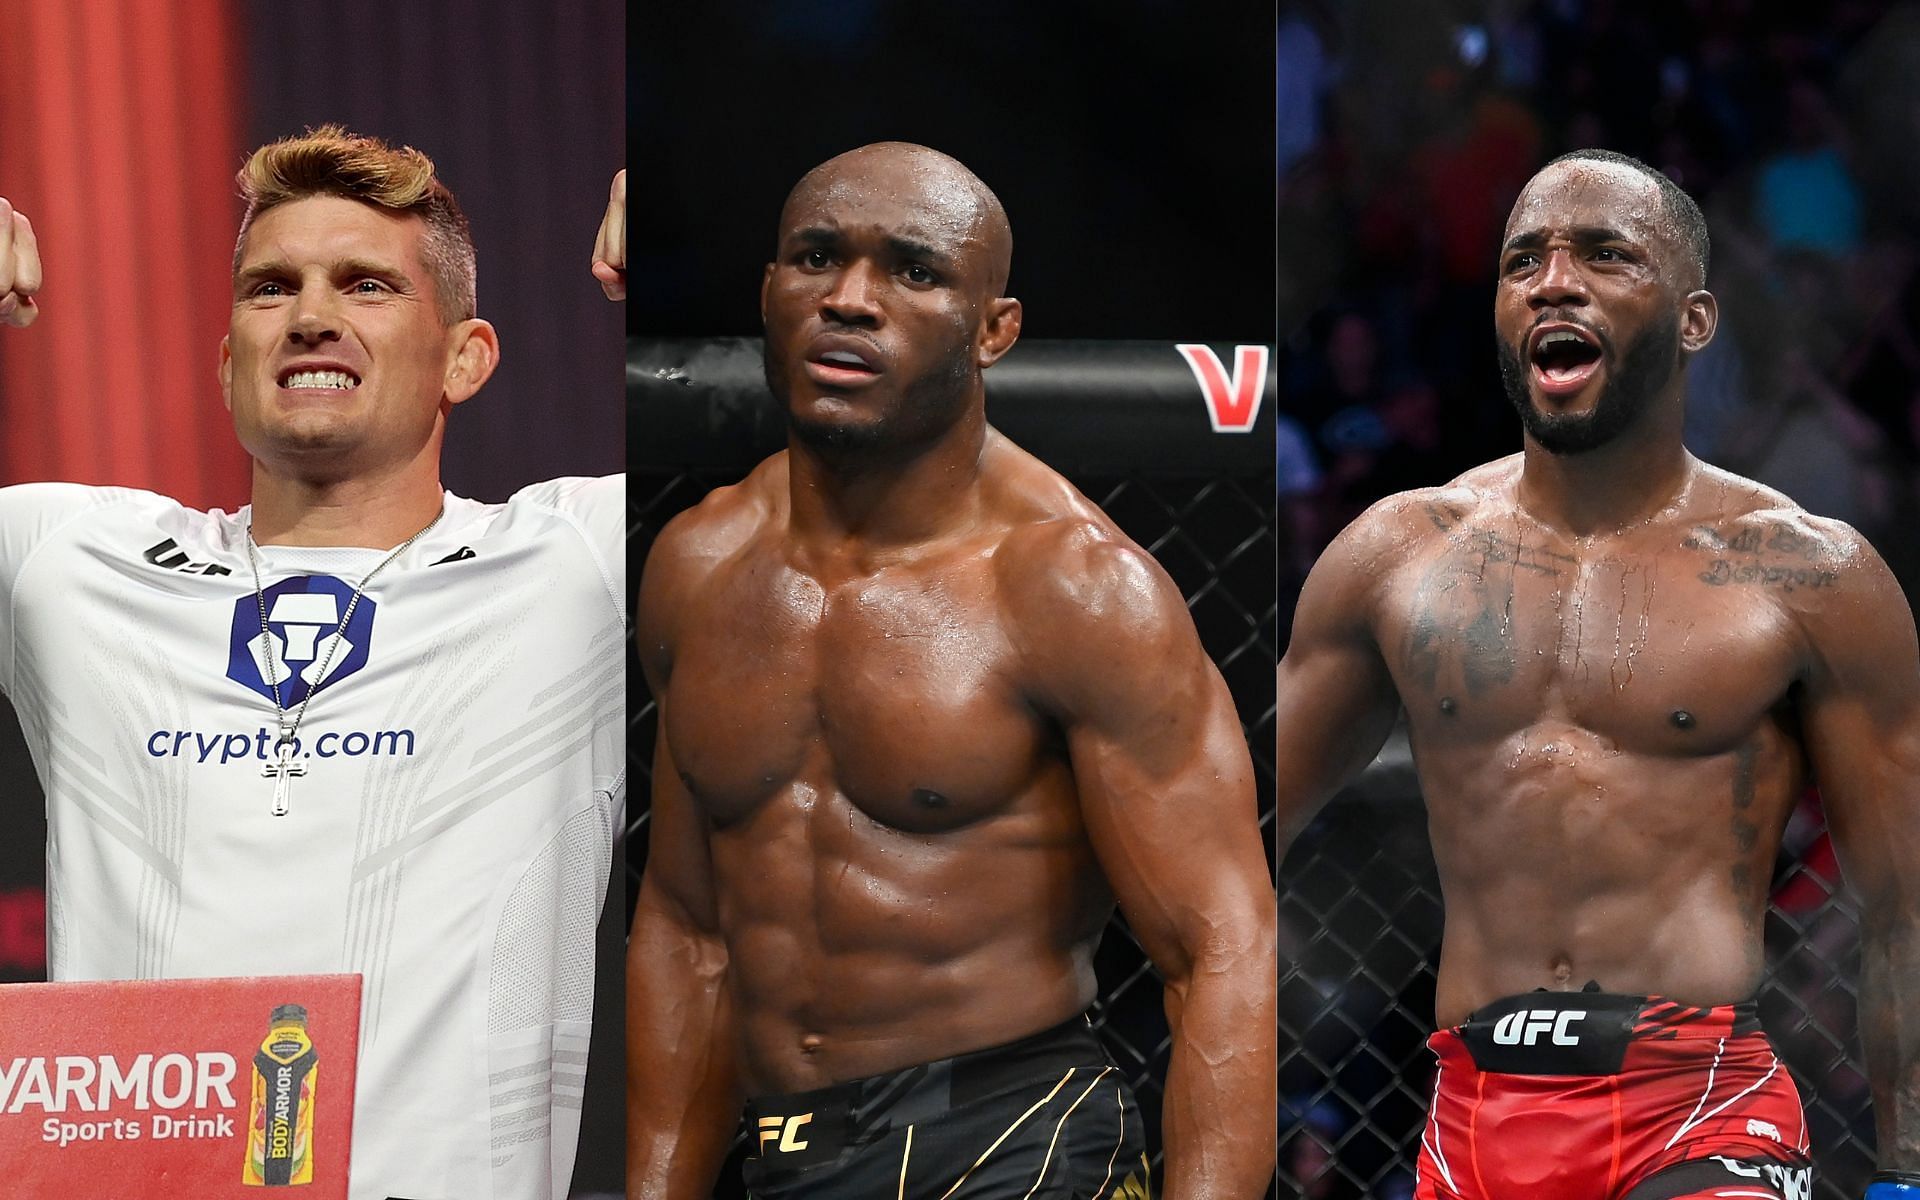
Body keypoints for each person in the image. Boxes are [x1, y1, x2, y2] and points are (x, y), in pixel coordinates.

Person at [629, 142, 1276, 1200]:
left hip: (1013, 1138)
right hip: (784, 1153)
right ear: (768, 289)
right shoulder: (698, 568)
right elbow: (688, 931)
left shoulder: (1075, 588)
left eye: (913, 272)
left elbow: (1221, 951)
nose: (850, 300)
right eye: (817, 258)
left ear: (994, 331)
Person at [1276, 148, 1920, 1199]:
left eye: (1604, 254)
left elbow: (1904, 907)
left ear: (1696, 320)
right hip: (1475, 1115)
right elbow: (1225, 831)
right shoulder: (1397, 557)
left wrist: (1908, 1172)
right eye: (1522, 258)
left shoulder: (1808, 573)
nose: (1553, 281)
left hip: (1700, 1110)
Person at [0, 128, 627, 1199]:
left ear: (465, 358)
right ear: (226, 359)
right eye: (270, 288)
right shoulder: (67, 562)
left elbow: (838, 492)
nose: (311, 315)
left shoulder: (576, 568)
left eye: (368, 284)